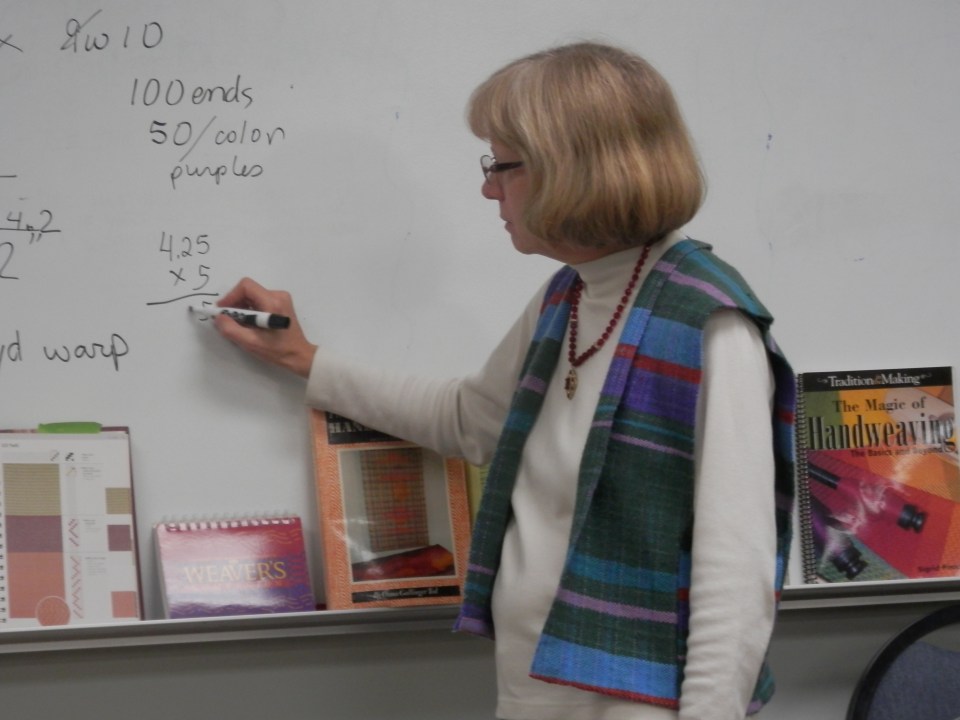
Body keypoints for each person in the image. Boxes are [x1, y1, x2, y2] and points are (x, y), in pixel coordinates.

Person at [210, 42, 795, 720]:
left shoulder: (708, 323)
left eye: (503, 166)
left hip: (637, 705)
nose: (490, 188)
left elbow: (736, 571)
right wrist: (301, 358)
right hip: (537, 687)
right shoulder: (570, 295)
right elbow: (472, 419)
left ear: (570, 167)